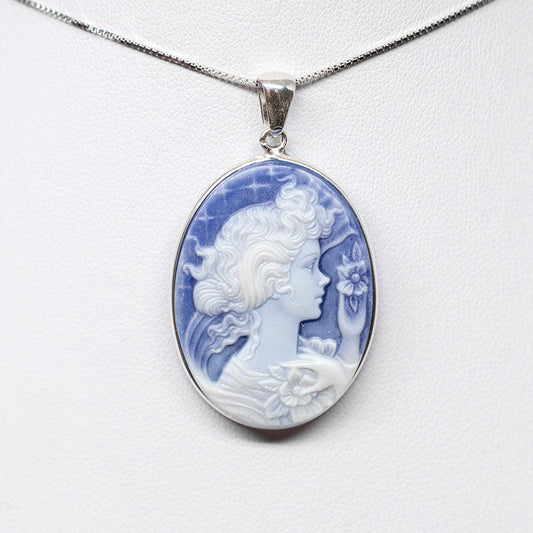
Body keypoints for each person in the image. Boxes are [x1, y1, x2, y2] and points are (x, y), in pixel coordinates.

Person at [185, 182, 367, 428]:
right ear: (269, 279)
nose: (324, 279)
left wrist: (351, 337)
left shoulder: (315, 355)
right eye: (309, 266)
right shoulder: (237, 396)